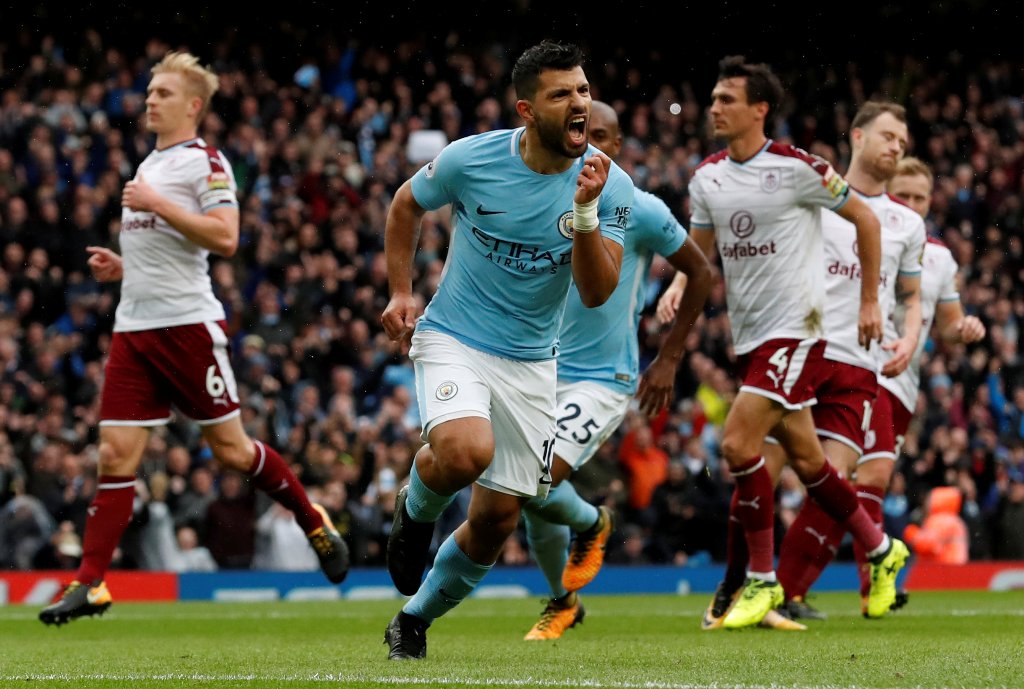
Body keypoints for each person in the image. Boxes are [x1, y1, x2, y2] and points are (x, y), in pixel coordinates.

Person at [38, 52, 348, 627]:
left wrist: (155, 206)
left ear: (193, 105)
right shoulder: (148, 166)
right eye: (150, 91)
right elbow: (165, 254)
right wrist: (123, 269)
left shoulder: (205, 163)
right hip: (133, 328)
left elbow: (226, 238)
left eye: (161, 93)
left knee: (230, 452)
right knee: (113, 454)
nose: (149, 100)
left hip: (186, 328)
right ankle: (91, 582)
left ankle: (312, 521)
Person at [379, 41, 633, 660]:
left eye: (582, 89)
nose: (579, 103)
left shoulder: (610, 183)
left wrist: (585, 213)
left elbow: (598, 293)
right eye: (561, 95)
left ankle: (411, 621)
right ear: (526, 109)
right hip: (455, 336)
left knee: (495, 522)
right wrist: (401, 292)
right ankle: (414, 510)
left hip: (531, 362)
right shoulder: (472, 160)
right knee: (466, 451)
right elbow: (406, 204)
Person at [660, 57, 907, 630]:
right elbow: (699, 251)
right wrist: (677, 281)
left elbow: (866, 222)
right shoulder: (708, 177)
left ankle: (762, 581)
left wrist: (870, 300)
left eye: (727, 99)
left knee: (738, 443)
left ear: (759, 109)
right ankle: (878, 546)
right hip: (749, 338)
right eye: (714, 98)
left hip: (797, 331)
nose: (714, 107)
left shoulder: (801, 168)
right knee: (807, 459)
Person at [519, 100, 712, 641]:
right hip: (536, 368)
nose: (590, 143)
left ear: (620, 146)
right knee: (527, 495)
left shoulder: (642, 210)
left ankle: (592, 523)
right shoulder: (543, 196)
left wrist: (669, 357)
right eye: (581, 132)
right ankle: (563, 601)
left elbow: (700, 272)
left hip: (602, 377)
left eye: (602, 134)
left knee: (534, 479)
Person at [777, 155, 986, 618]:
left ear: (931, 202)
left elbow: (947, 326)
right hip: (867, 368)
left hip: (905, 384)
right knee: (861, 478)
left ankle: (812, 588)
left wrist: (966, 327)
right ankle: (806, 588)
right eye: (903, 194)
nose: (910, 203)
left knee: (854, 484)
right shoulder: (868, 230)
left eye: (919, 197)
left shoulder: (939, 258)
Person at [766, 103, 925, 620]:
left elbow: (911, 295)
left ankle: (784, 594)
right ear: (856, 135)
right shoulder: (818, 192)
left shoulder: (907, 223)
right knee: (760, 468)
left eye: (903, 140)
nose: (896, 146)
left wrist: (908, 339)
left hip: (858, 362)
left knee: (830, 480)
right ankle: (745, 583)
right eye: (887, 135)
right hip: (800, 348)